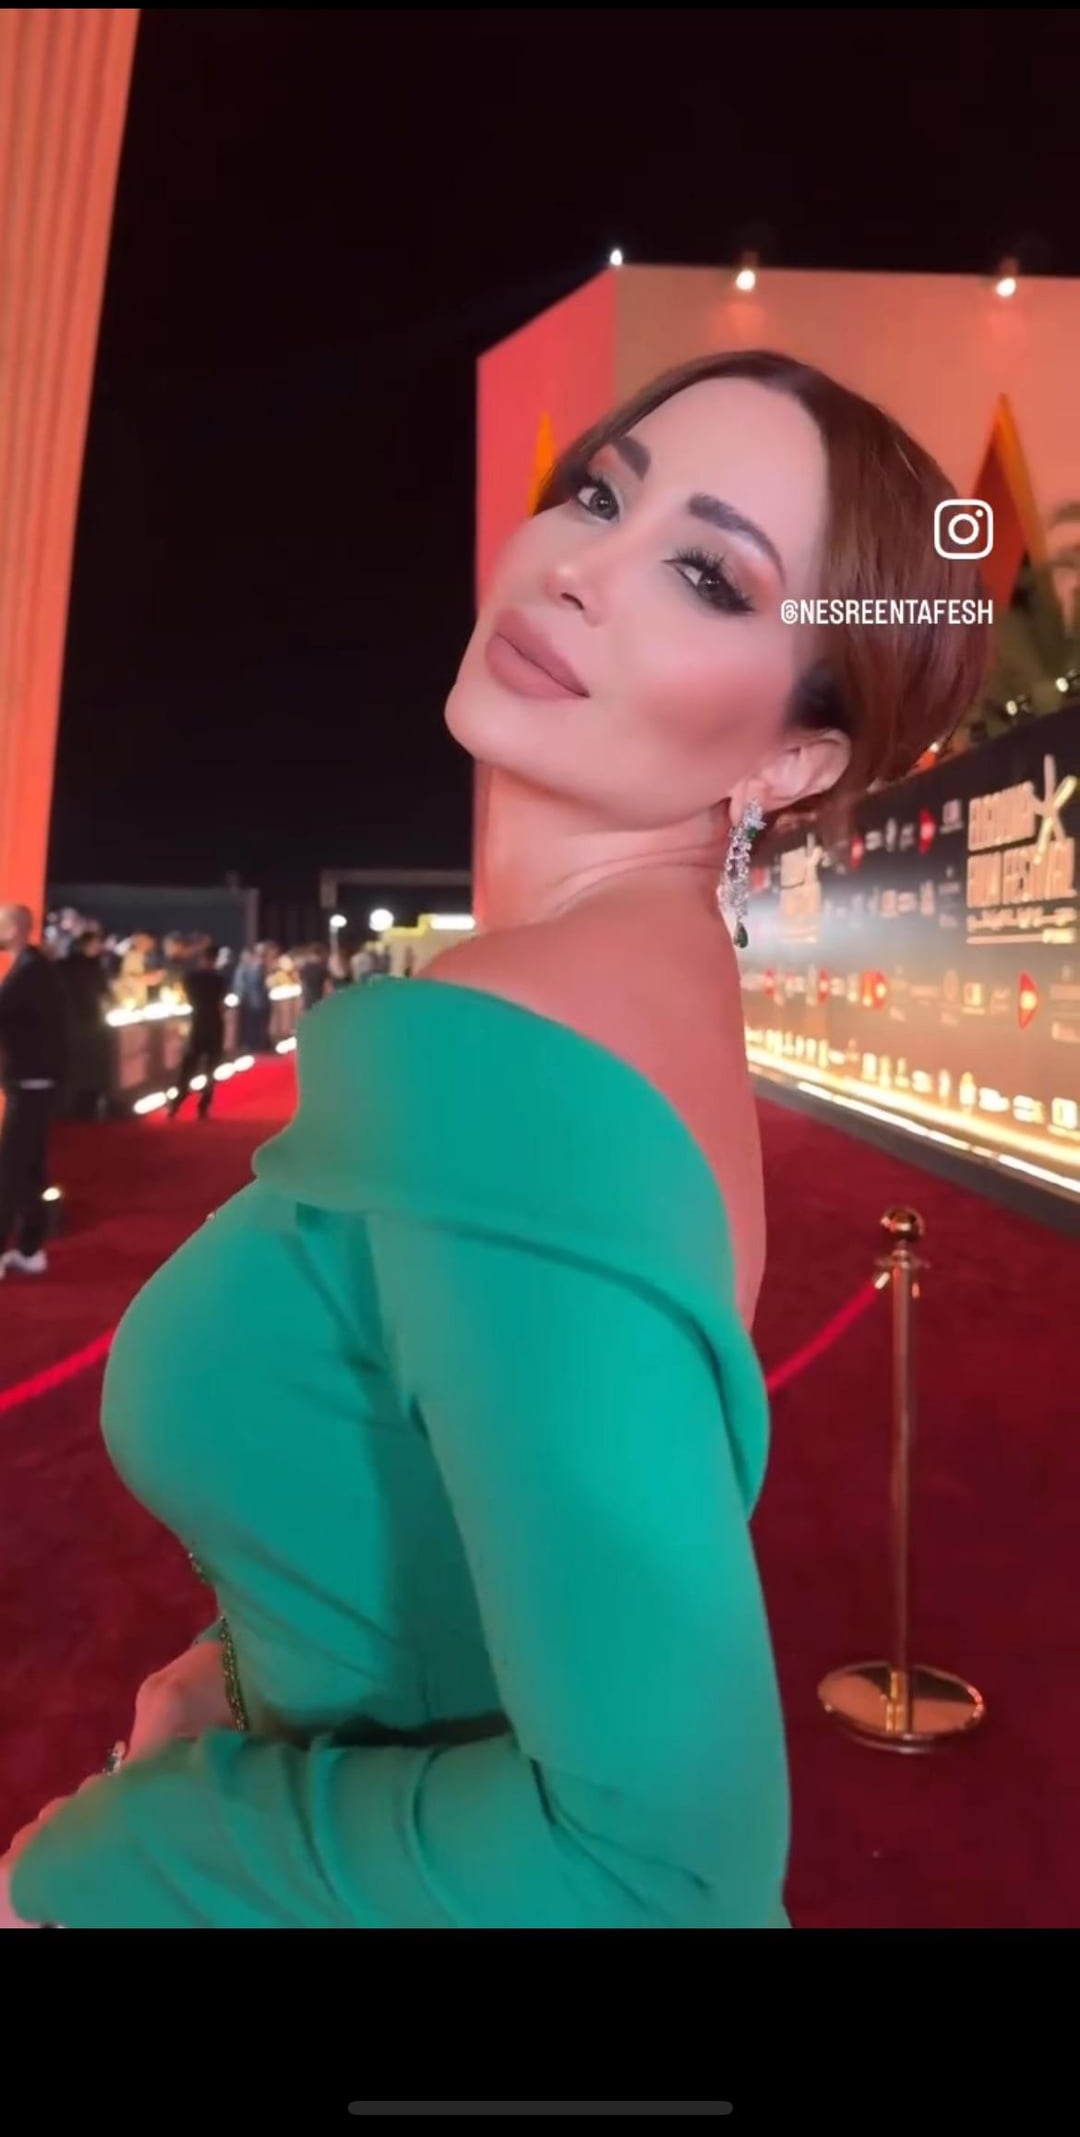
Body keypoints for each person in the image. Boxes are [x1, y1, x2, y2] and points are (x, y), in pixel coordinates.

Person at [1, 350, 990, 1928]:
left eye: (707, 574)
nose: (582, 566)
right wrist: (241, 1667)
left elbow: (662, 1871)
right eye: (600, 493)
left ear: (793, 758)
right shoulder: (625, 994)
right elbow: (436, 1503)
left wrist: (110, 1853)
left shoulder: (528, 1036)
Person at [0, 904, 68, 1282]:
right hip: (37, 1082)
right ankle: (30, 1249)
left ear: (14, 928)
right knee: (30, 1169)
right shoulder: (34, 968)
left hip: (30, 1083)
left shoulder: (29, 972)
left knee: (10, 1170)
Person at [168, 944, 227, 1120]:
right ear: (216, 959)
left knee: (188, 1067)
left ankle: (176, 1103)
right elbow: (221, 1003)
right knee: (210, 1068)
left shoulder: (190, 978)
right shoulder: (219, 980)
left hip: (198, 1024)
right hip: (215, 1025)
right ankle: (203, 1106)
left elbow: (188, 998)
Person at [56, 928, 110, 1120]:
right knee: (88, 1065)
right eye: (96, 944)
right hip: (88, 1020)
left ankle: (73, 1105)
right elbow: (104, 992)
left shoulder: (64, 965)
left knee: (76, 1065)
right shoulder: (94, 966)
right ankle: (85, 1105)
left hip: (74, 1020)